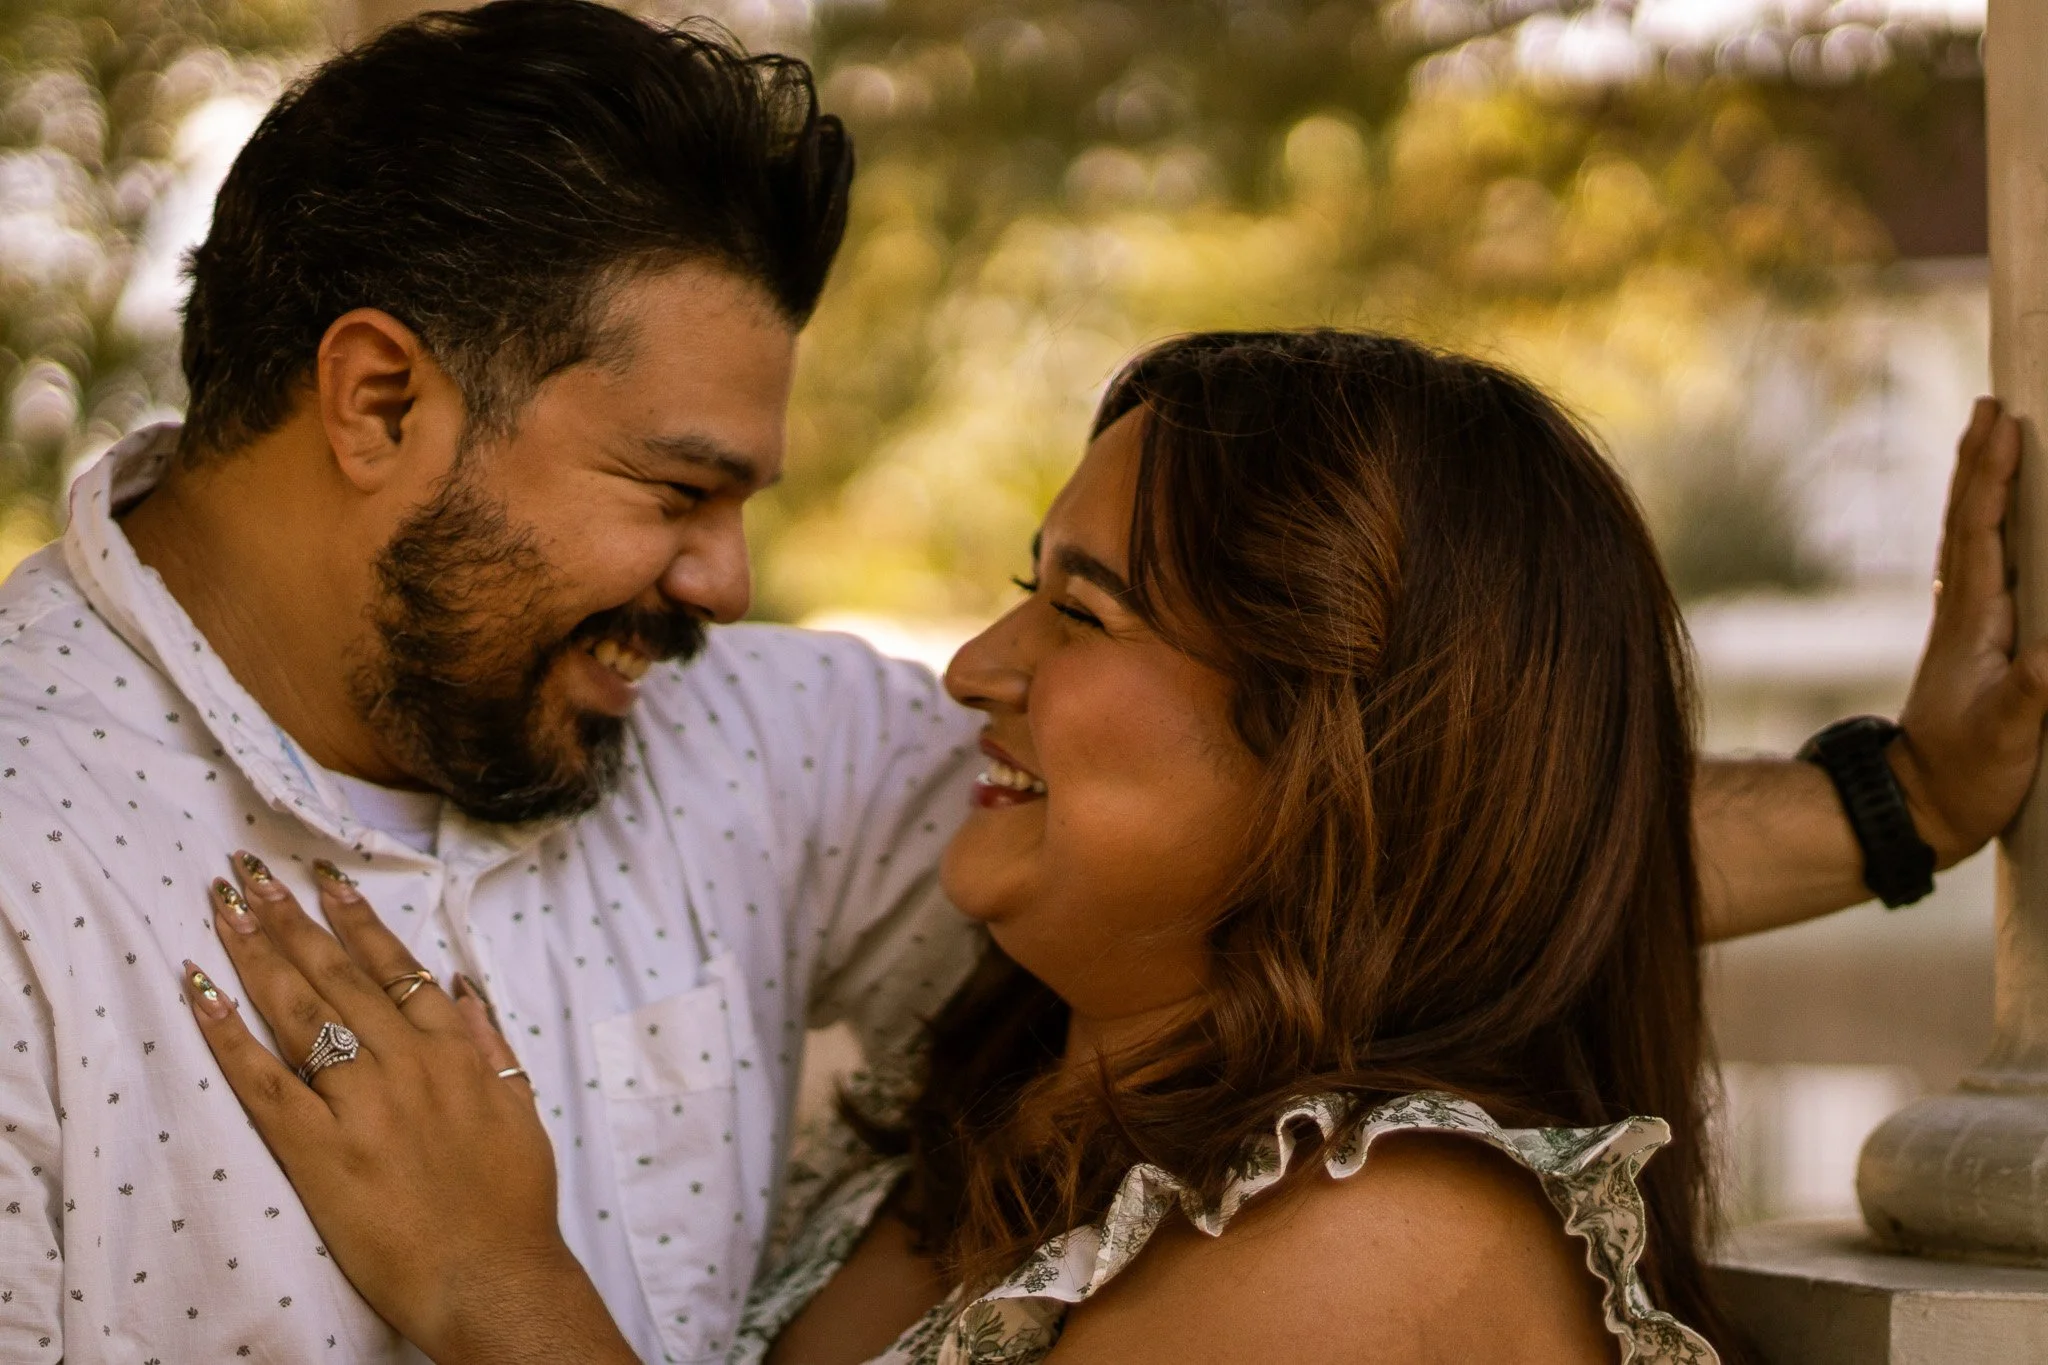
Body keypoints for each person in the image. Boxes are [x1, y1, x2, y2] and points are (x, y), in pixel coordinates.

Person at [0, 2, 2037, 1360]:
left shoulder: (726, 741)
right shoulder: (29, 848)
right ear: (375, 400)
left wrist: (1900, 804)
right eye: (674, 486)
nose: (727, 578)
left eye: (1075, 608)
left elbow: (1456, 826)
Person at [184, 330, 2030, 1365]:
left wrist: (507, 1294)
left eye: (1083, 611)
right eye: (1018, 593)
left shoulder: (1384, 1253)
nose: (980, 671)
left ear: (1330, 753)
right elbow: (1533, 855)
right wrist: (1899, 806)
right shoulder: (1013, 1115)